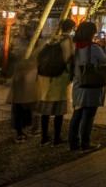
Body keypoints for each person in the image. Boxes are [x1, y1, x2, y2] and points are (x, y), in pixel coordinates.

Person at [68, 22, 106, 154]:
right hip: (91, 87)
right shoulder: (94, 48)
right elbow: (104, 60)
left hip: (78, 85)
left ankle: (73, 143)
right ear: (91, 33)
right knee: (89, 116)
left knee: (77, 114)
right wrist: (104, 47)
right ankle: (85, 144)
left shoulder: (75, 47)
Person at [35, 19, 75, 147]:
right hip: (60, 78)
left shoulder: (51, 40)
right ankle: (57, 139)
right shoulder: (67, 41)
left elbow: (39, 56)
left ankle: (44, 138)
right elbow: (69, 59)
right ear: (72, 28)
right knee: (59, 111)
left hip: (46, 79)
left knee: (45, 111)